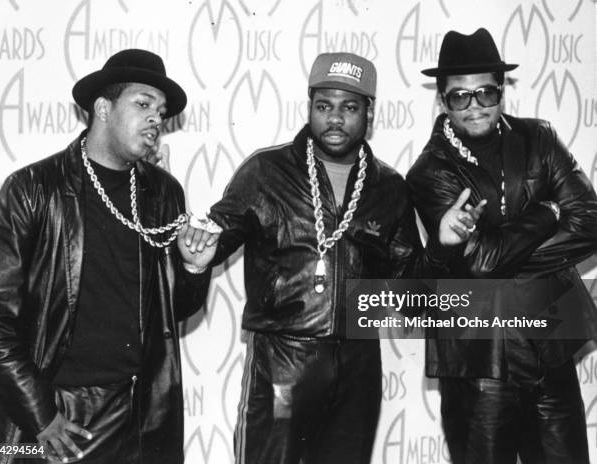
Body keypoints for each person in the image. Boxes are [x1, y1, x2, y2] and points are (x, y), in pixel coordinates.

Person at [184, 52, 482, 464]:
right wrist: (195, 252)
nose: (335, 118)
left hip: (358, 365)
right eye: (324, 106)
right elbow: (216, 238)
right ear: (309, 108)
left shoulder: (388, 187)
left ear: (369, 113)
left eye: (349, 107)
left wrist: (441, 247)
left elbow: (409, 295)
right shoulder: (266, 172)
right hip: (283, 361)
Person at [0, 49, 218, 463]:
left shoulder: (163, 193)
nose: (155, 119)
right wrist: (41, 417)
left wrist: (194, 265)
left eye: (160, 111)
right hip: (53, 415)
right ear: (103, 109)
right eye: (143, 104)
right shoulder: (34, 188)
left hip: (140, 418)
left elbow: (175, 310)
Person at [406, 28, 597, 464]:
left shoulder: (539, 138)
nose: (474, 106)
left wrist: (501, 255)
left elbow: (589, 221)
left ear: (501, 93)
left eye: (485, 93)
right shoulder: (430, 171)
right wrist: (548, 214)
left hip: (550, 344)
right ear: (442, 99)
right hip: (477, 358)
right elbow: (480, 263)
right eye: (460, 96)